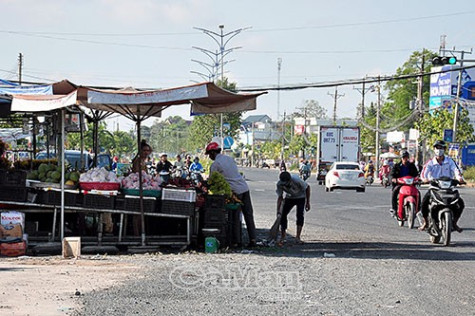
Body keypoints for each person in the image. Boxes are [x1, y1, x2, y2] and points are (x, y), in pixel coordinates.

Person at [205, 141, 257, 247]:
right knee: (248, 215)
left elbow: (211, 181)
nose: (209, 157)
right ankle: (253, 239)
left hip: (235, 191)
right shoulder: (229, 159)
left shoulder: (215, 164)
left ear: (213, 153)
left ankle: (236, 241)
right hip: (244, 187)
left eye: (209, 154)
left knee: (235, 216)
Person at [420, 140, 465, 232]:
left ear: (444, 149)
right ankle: (425, 222)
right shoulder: (430, 163)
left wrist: (459, 179)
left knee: (460, 203)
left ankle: (454, 222)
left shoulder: (450, 161)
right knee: (424, 203)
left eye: (441, 148)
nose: (439, 150)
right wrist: (425, 179)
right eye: (437, 148)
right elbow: (424, 173)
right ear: (434, 149)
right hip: (435, 188)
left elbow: (456, 170)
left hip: (448, 189)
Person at [276, 171, 311, 245]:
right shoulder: (280, 184)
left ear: (290, 180)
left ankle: (298, 237)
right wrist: (278, 210)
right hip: (289, 197)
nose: (285, 184)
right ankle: (283, 236)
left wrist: (307, 202)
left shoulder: (296, 180)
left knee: (299, 215)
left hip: (300, 197)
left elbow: (307, 188)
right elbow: (280, 197)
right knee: (283, 215)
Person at [389, 151, 419, 216]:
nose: (405, 159)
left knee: (418, 193)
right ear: (401, 158)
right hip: (400, 184)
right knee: (395, 192)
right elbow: (391, 175)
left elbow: (416, 174)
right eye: (403, 157)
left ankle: (418, 210)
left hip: (410, 184)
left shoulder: (412, 166)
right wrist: (393, 179)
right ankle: (394, 209)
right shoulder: (396, 166)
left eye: (406, 157)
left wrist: (418, 179)